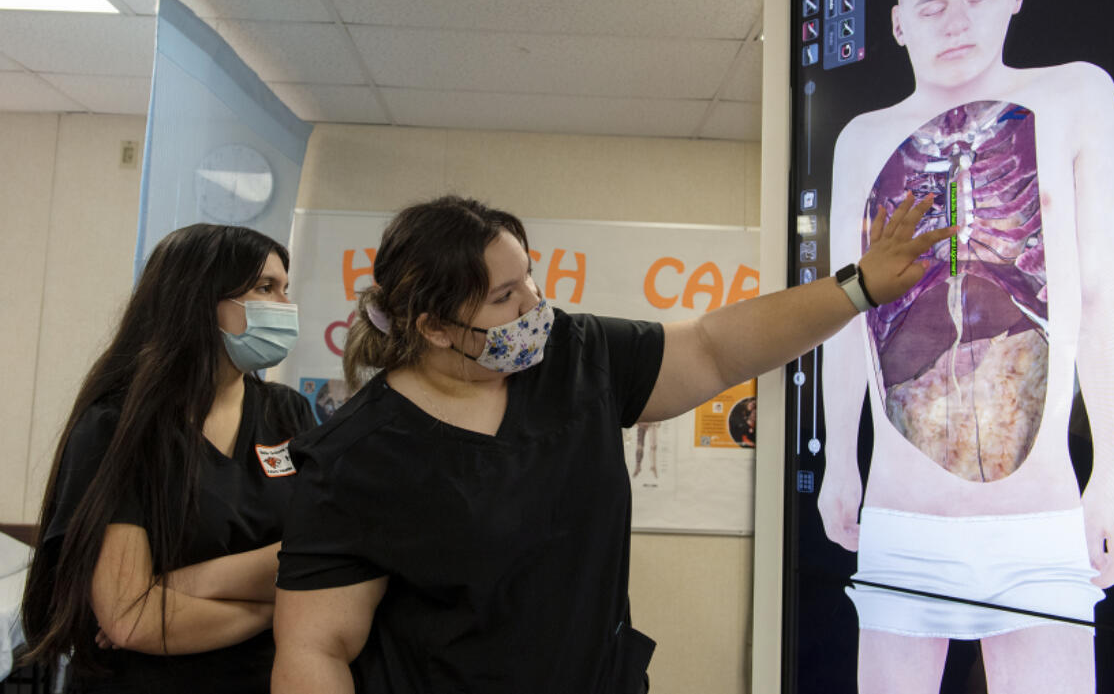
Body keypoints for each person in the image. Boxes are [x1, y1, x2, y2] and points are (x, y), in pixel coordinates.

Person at [271, 194, 952, 694]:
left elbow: (716, 349)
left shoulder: (575, 354)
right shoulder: (355, 456)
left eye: (529, 278)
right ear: (437, 327)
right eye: (505, 296)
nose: (534, 304)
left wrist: (857, 287)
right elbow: (315, 647)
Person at [818, 0, 1114, 693]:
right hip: (903, 517)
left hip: (1038, 520)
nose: (956, 22)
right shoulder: (862, 139)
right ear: (897, 23)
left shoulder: (1076, 94)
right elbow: (843, 311)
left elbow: (1105, 285)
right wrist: (838, 459)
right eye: (932, 6)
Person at [19, 224, 314, 693]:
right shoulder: (120, 426)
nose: (285, 306)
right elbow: (132, 619)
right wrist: (280, 605)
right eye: (264, 288)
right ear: (198, 299)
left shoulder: (287, 412)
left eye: (285, 289)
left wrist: (180, 586)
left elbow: (325, 559)